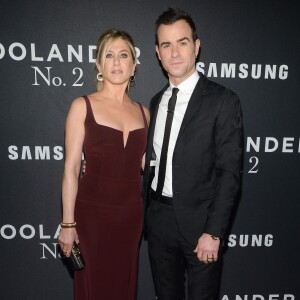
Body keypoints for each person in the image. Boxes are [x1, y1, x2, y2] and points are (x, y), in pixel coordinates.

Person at [143, 8, 243, 300]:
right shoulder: (156, 101)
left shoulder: (223, 100)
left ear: (196, 47)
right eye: (166, 45)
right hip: (158, 222)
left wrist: (214, 233)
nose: (174, 52)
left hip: (201, 226)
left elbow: (229, 173)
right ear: (157, 53)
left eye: (182, 42)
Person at [58, 29, 149, 300]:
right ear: (99, 65)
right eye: (109, 55)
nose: (117, 62)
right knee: (94, 288)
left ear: (134, 65)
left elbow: (149, 169)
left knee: (124, 286)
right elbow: (71, 169)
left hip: (131, 218)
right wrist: (68, 224)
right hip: (91, 218)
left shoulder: (145, 114)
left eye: (124, 55)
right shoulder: (82, 106)